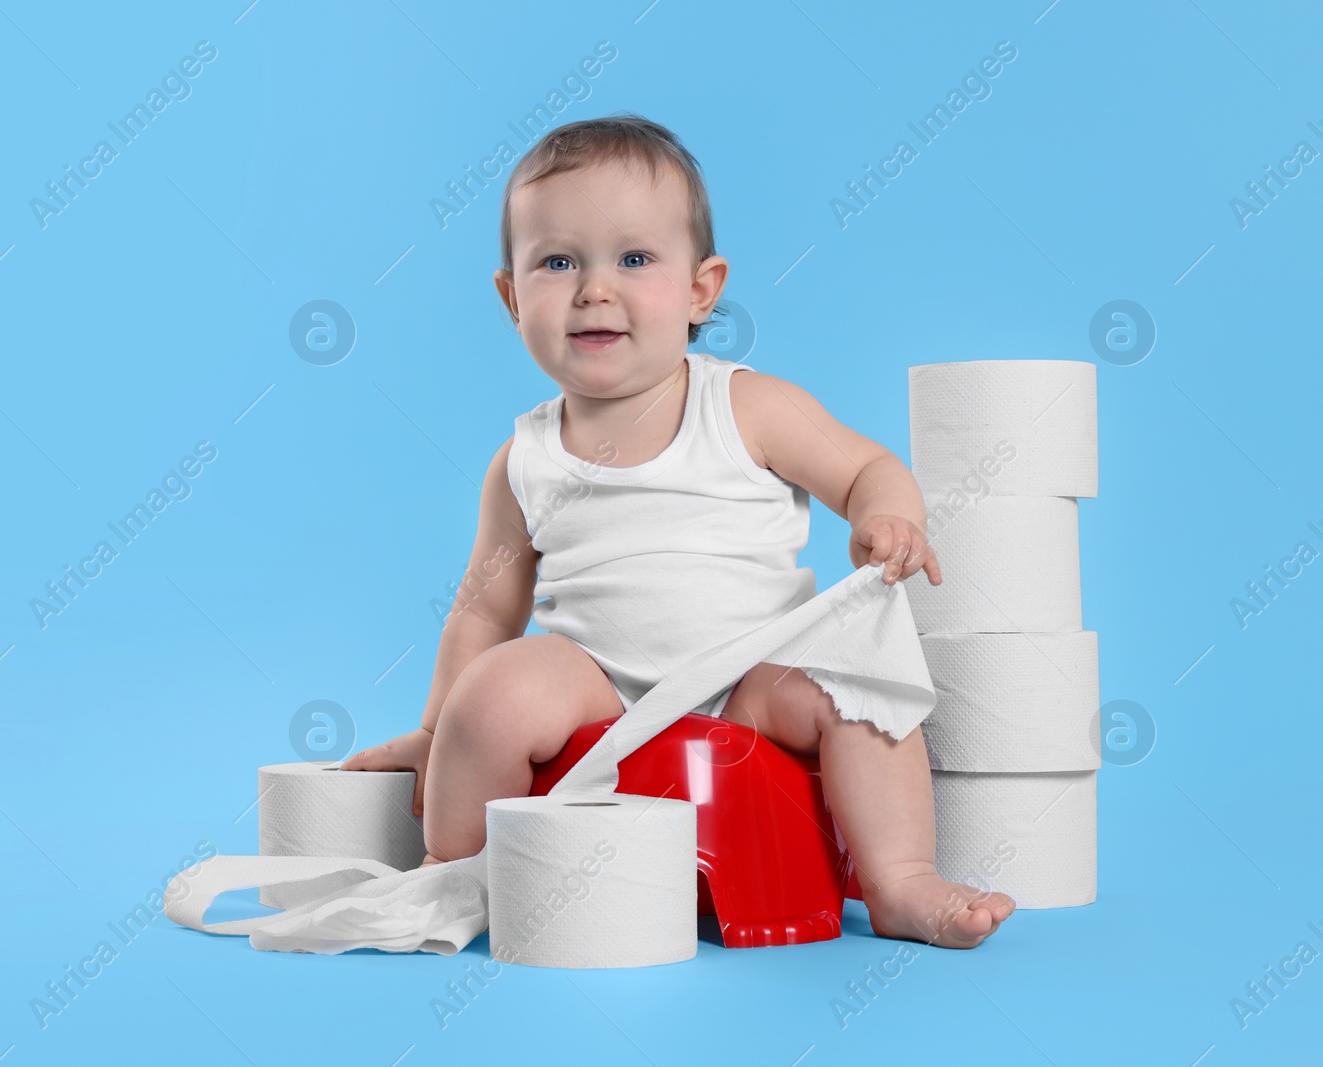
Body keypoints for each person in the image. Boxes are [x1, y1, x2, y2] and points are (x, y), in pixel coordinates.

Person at [341, 113, 1014, 948]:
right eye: (557, 262)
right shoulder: (525, 457)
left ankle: (900, 878)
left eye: (633, 259)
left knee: (860, 689)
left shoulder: (744, 405)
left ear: (701, 288)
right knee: (494, 695)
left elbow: (863, 467)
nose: (594, 288)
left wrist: (890, 516)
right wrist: (438, 731)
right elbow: (484, 611)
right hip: (596, 677)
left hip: (748, 676)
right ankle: (457, 874)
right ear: (512, 298)